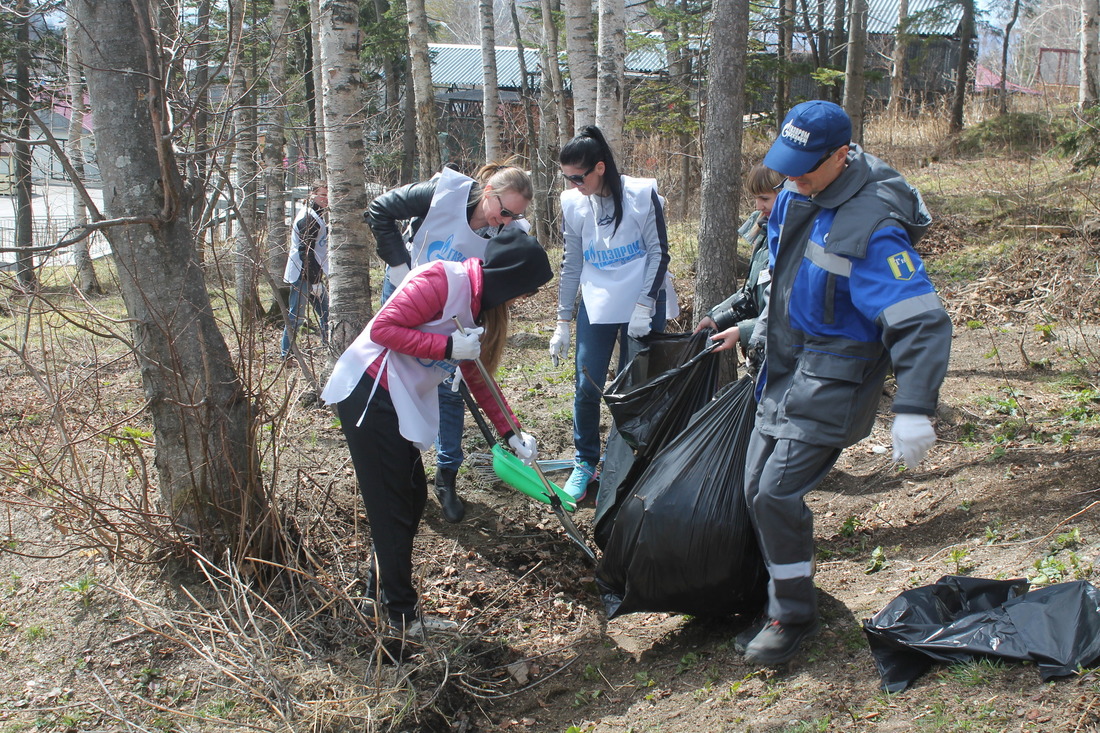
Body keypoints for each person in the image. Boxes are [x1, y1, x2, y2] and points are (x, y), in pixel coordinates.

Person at [740, 100, 953, 665]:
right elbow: (781, 270)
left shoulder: (873, 228)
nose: (793, 178)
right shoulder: (794, 191)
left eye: (806, 167)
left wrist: (912, 406)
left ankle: (792, 616)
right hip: (784, 366)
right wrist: (761, 327)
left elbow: (921, 321)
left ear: (843, 154)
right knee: (752, 488)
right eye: (787, 165)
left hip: (836, 375)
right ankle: (776, 594)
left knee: (775, 493)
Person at [320, 229, 551, 642]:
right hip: (369, 393)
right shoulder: (441, 280)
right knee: (394, 509)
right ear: (512, 278)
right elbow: (383, 329)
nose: (520, 302)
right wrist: (446, 348)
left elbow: (477, 377)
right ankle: (401, 620)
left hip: (394, 397)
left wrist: (511, 433)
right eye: (525, 293)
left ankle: (378, 596)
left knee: (409, 500)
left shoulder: (479, 307)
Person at [366, 163, 533, 523]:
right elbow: (379, 209)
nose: (505, 221)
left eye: (514, 216)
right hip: (409, 296)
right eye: (503, 211)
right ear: (488, 190)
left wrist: (511, 430)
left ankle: (447, 477)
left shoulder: (507, 228)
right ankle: (401, 465)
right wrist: (398, 265)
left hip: (455, 306)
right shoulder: (443, 193)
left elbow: (502, 281)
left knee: (452, 388)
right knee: (396, 379)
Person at [549, 125, 676, 502]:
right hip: (599, 301)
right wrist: (562, 320)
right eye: (567, 178)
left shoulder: (640, 194)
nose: (573, 184)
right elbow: (572, 263)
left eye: (579, 176)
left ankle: (627, 463)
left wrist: (644, 304)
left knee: (634, 386)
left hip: (641, 300)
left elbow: (659, 251)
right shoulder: (573, 203)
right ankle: (585, 461)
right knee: (587, 384)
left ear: (599, 168)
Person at [694, 164, 785, 355]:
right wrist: (717, 318)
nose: (758, 206)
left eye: (765, 199)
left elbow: (789, 314)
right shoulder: (764, 232)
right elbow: (751, 294)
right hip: (763, 351)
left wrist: (743, 331)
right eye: (755, 199)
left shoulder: (796, 238)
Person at [281, 182, 329, 359]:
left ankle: (329, 348)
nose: (325, 199)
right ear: (312, 195)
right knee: (296, 318)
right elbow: (305, 253)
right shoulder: (308, 219)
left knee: (327, 313)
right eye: (322, 194)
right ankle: (286, 355)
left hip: (312, 273)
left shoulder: (317, 215)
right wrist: (315, 282)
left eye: (328, 195)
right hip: (302, 274)